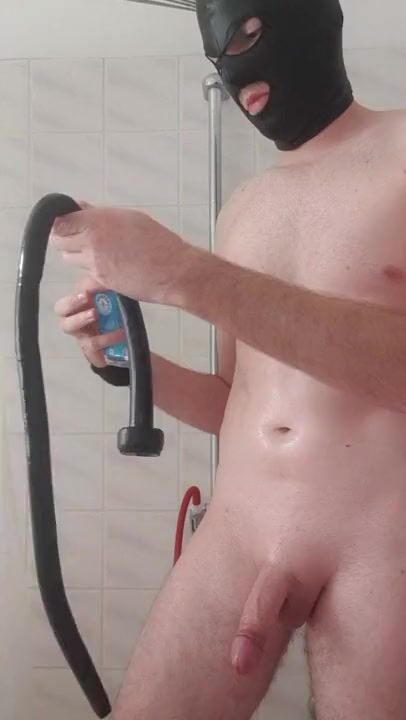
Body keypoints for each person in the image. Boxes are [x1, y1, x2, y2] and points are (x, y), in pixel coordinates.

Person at [53, 0, 406, 717]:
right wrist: (125, 362)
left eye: (247, 36)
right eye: (217, 55)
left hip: (383, 536)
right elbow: (233, 399)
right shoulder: (244, 207)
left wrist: (184, 273)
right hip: (242, 523)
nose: (235, 70)